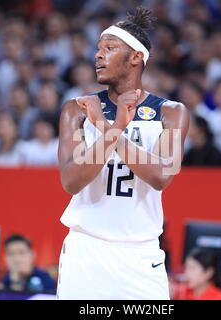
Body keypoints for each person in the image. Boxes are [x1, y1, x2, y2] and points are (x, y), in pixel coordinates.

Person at [57, 7, 189, 299]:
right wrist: (115, 127)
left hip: (140, 254)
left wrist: (107, 128)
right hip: (86, 250)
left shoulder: (170, 112)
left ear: (136, 57)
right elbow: (71, 181)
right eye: (98, 48)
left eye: (110, 47)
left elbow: (161, 176)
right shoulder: (76, 109)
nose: (98, 55)